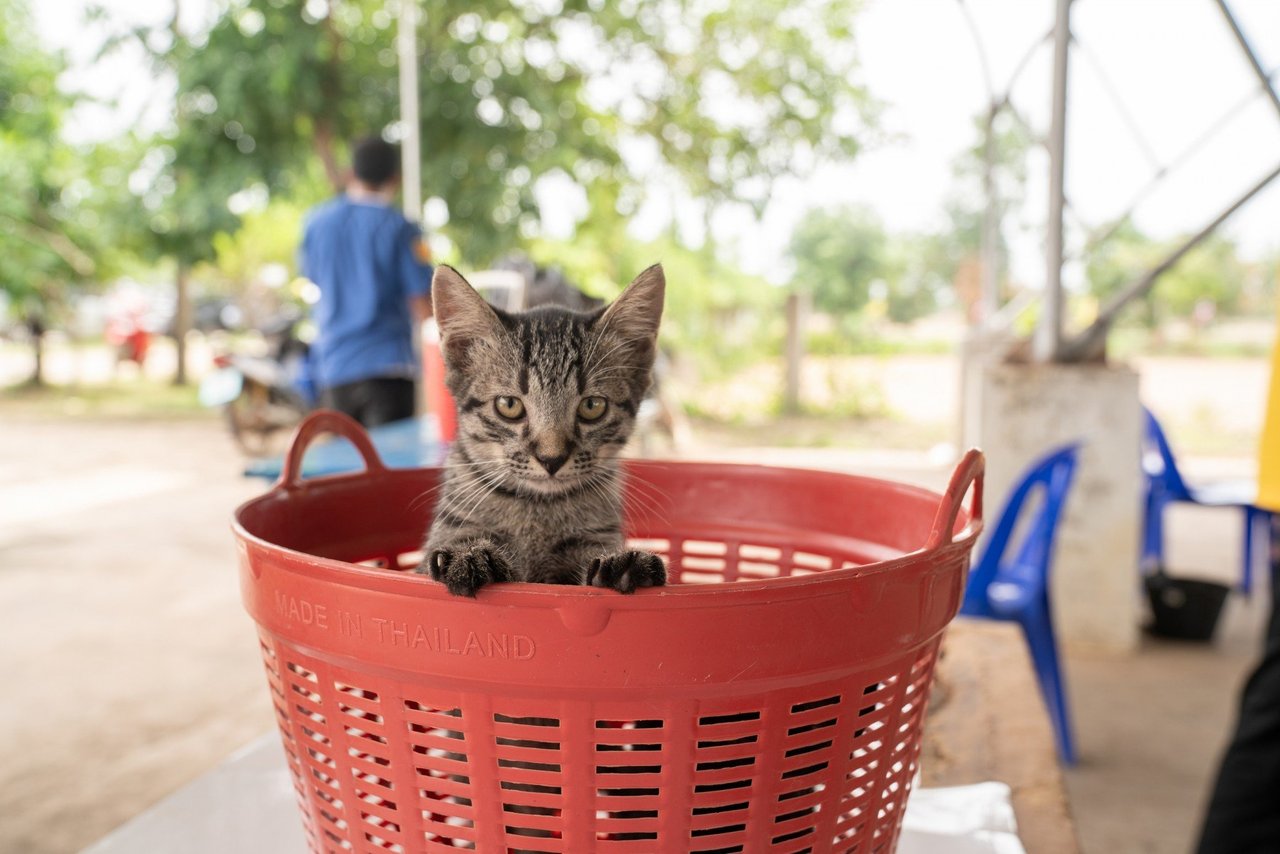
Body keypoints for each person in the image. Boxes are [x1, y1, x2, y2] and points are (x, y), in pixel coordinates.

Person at [299, 135, 433, 428]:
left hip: (333, 367)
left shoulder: (315, 224)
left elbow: (313, 278)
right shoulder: (401, 229)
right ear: (395, 178)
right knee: (388, 468)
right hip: (387, 368)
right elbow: (423, 305)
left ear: (351, 173)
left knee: (345, 470)